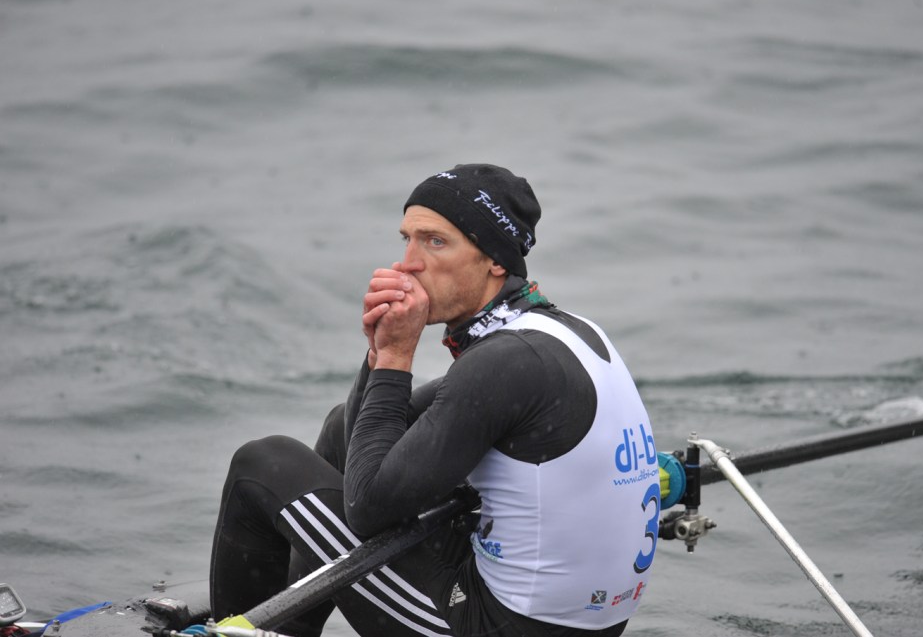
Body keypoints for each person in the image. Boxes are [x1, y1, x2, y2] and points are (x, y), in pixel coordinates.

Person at [209, 164, 661, 637]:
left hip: (496, 627)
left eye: (435, 242)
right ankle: (286, 624)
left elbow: (366, 508)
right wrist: (379, 352)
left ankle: (263, 627)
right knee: (343, 428)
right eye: (407, 239)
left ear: (495, 259)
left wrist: (396, 357)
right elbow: (371, 435)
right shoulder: (563, 332)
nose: (408, 263)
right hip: (580, 623)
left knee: (260, 466)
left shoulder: (502, 362)